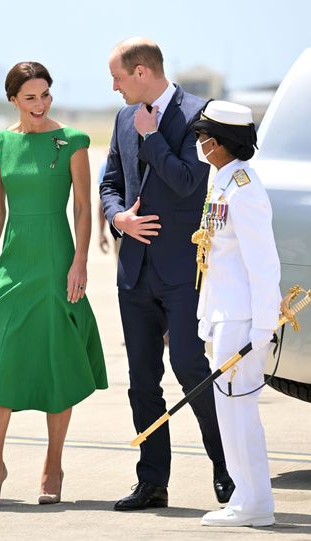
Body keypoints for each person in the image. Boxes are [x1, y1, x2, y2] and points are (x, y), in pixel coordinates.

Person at [0, 62, 108, 504]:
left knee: (58, 358)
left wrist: (79, 262)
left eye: (45, 95)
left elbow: (83, 207)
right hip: (14, 262)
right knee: (2, 359)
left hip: (59, 260)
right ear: (13, 100)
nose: (40, 105)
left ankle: (53, 464)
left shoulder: (73, 141)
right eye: (30, 97)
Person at [100, 37, 234, 511]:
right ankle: (152, 482)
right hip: (133, 272)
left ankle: (228, 469)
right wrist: (119, 218)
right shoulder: (122, 118)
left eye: (117, 76)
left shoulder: (202, 115)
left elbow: (185, 183)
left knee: (191, 369)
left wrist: (152, 138)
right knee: (141, 381)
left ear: (141, 72)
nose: (113, 86)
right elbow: (111, 181)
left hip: (183, 272)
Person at [192, 100, 281, 527]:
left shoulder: (243, 188)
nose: (199, 143)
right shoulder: (222, 182)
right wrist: (205, 316)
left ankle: (254, 504)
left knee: (239, 413)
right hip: (224, 317)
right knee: (230, 413)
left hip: (243, 321)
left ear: (220, 142)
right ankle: (246, 497)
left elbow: (263, 263)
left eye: (202, 136)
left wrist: (264, 327)